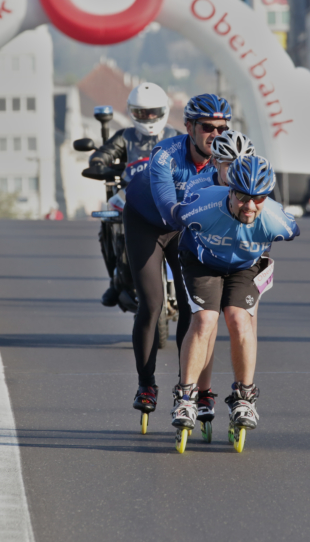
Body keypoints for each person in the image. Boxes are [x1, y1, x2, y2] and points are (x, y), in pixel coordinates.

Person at [169, 156, 299, 445]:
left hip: (244, 267)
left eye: (258, 198)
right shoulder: (202, 207)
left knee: (239, 319)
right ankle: (186, 396)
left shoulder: (277, 220)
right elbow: (176, 215)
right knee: (205, 319)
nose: (250, 206)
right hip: (202, 261)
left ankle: (245, 397)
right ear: (230, 191)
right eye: (242, 197)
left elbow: (293, 230)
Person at [121, 93, 231, 419]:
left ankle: (190, 387)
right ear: (189, 127)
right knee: (152, 303)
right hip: (148, 221)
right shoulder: (165, 154)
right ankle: (146, 384)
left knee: (193, 306)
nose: (216, 135)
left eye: (223, 129)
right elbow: (168, 205)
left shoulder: (228, 158)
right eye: (207, 127)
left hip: (186, 225)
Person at [86, 82, 180, 308]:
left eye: (153, 112)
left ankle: (195, 278)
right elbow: (103, 154)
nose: (149, 117)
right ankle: (116, 281)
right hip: (131, 193)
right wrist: (98, 162)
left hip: (169, 192)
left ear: (163, 110)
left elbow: (194, 156)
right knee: (108, 222)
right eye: (142, 113)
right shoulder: (125, 136)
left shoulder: (177, 137)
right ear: (132, 112)